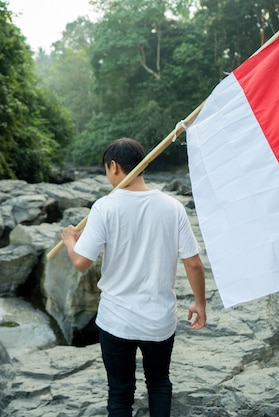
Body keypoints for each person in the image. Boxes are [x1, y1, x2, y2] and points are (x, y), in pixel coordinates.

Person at [61, 137, 207, 417]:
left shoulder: (105, 207)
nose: (107, 175)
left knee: (119, 393)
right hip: (159, 321)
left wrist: (70, 239)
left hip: (116, 321)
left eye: (106, 169)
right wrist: (200, 304)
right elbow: (194, 265)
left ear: (114, 166)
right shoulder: (172, 206)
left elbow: (80, 262)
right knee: (159, 383)